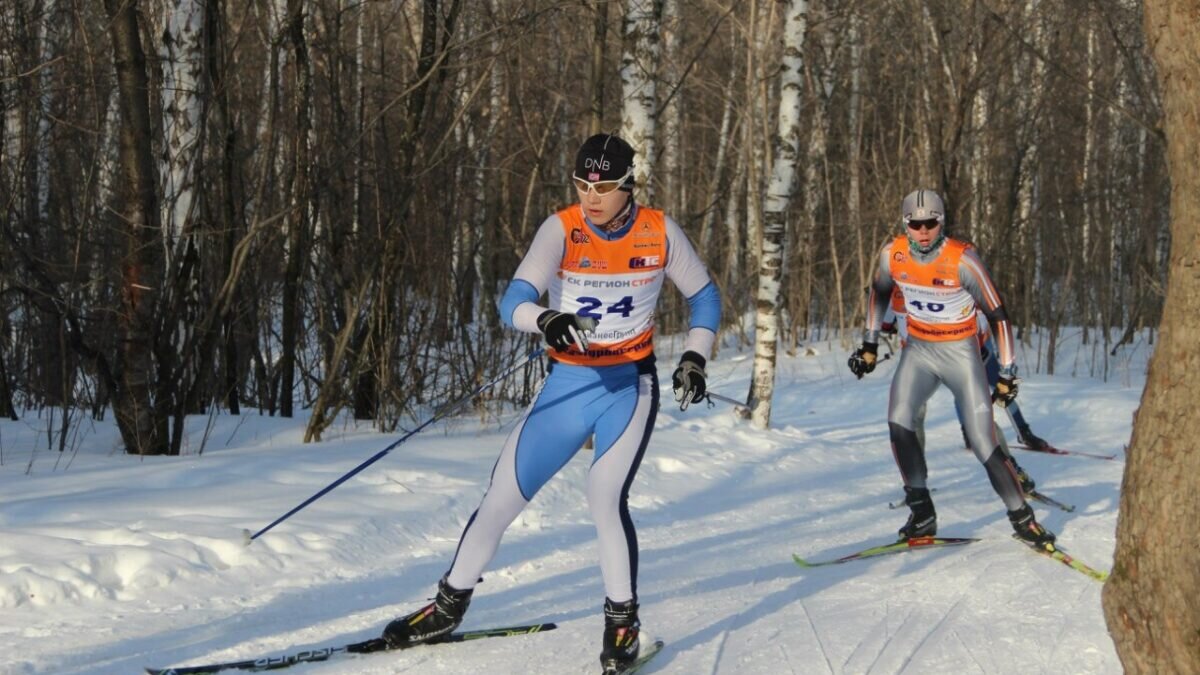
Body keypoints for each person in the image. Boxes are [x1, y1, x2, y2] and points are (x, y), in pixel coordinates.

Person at [382, 133, 720, 673]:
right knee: (501, 496)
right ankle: (447, 607)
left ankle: (622, 623)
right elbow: (511, 300)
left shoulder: (659, 231)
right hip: (568, 384)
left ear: (629, 185)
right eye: (583, 184)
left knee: (603, 495)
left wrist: (695, 358)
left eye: (604, 186)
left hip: (627, 386)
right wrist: (546, 319)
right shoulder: (561, 228)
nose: (591, 196)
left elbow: (704, 297)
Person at [848, 188, 1055, 547]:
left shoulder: (963, 260)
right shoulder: (892, 255)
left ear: (941, 223)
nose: (923, 231)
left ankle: (1024, 520)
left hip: (961, 353)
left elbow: (999, 316)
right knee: (900, 421)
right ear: (905, 225)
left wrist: (1007, 373)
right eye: (915, 224)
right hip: (919, 351)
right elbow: (878, 294)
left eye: (930, 223)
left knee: (981, 440)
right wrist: (868, 344)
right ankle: (922, 513)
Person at [883, 289, 1043, 492]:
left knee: (973, 416)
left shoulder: (954, 285)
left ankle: (1012, 471)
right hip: (926, 360)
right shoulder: (901, 286)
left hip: (952, 357)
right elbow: (885, 321)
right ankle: (916, 484)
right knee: (913, 419)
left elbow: (984, 322)